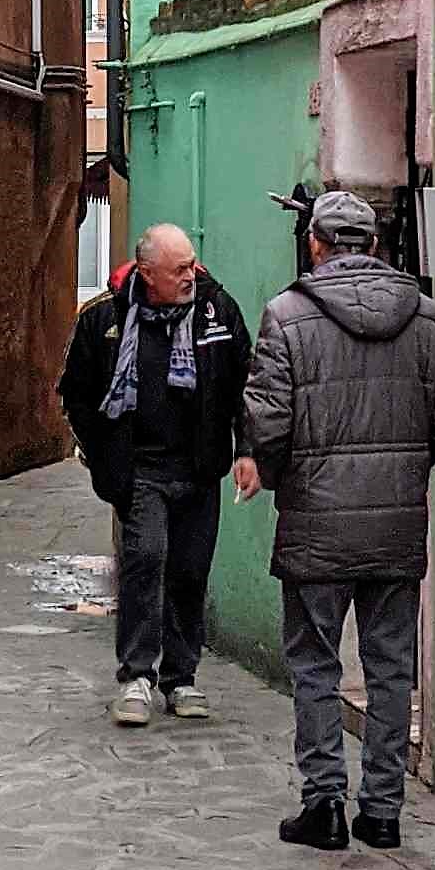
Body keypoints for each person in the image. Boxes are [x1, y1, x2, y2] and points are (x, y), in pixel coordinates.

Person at [235, 187, 435, 854]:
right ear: (373, 244)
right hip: (395, 522)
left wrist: (282, 476)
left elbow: (266, 420)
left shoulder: (286, 314)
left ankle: (325, 804)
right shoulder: (424, 317)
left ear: (315, 243)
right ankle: (384, 811)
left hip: (316, 519)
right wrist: (407, 468)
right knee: (392, 666)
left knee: (315, 664)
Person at [57, 223, 253, 728]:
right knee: (145, 563)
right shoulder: (105, 319)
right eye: (179, 269)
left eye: (191, 265)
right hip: (140, 467)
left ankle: (182, 676)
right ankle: (137, 676)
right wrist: (101, 453)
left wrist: (246, 450)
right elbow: (76, 391)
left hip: (199, 467)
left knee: (189, 570)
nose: (191, 275)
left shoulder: (218, 313)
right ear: (147, 274)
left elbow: (241, 385)